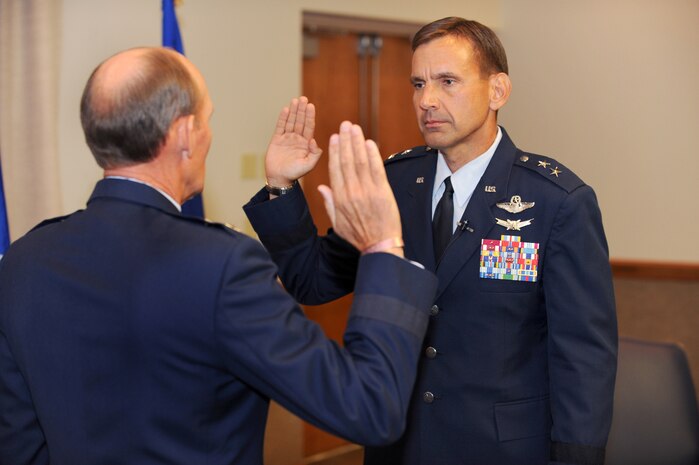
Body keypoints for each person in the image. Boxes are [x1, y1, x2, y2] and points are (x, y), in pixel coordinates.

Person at [0, 47, 439, 465]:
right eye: (207, 119)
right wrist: (382, 247)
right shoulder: (224, 266)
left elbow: (18, 441)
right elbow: (366, 408)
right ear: (186, 135)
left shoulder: (23, 261)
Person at [245, 17, 618, 465]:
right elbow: (313, 281)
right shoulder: (396, 183)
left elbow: (583, 357)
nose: (427, 100)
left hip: (502, 450)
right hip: (400, 446)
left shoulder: (555, 201)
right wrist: (281, 186)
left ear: (497, 90)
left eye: (447, 81)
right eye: (418, 84)